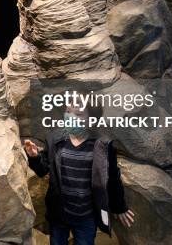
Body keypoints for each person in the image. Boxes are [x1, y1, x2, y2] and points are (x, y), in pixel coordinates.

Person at [24, 105, 135, 245]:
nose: (71, 117)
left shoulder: (103, 145)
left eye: (79, 114)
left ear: (92, 119)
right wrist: (34, 157)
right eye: (68, 111)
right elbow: (43, 169)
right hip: (59, 214)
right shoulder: (55, 139)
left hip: (86, 216)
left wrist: (119, 207)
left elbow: (112, 178)